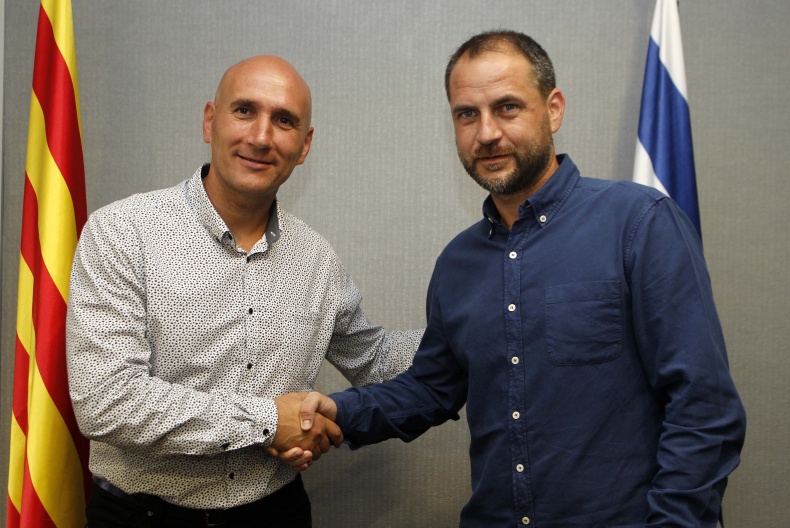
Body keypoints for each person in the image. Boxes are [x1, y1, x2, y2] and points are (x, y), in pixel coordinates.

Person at [288, 31, 746, 527]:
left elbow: (703, 406)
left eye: (507, 107)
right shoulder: (457, 263)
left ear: (553, 109)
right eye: (467, 114)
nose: (486, 133)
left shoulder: (639, 223)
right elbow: (431, 389)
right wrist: (336, 411)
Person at [66, 55, 420, 528]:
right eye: (244, 111)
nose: (261, 136)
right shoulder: (122, 232)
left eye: (284, 120)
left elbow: (374, 359)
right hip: (142, 516)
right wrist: (268, 422)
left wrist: (479, 321)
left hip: (275, 513)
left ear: (304, 145)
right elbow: (107, 402)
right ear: (210, 121)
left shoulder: (317, 259)